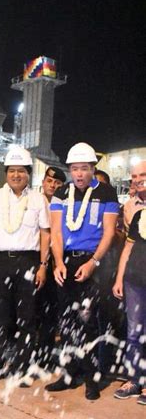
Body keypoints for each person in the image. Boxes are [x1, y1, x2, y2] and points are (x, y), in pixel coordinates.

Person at [46, 142, 119, 400]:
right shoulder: (62, 193)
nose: (79, 174)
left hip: (93, 263)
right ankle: (68, 374)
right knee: (66, 322)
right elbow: (55, 231)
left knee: (87, 321)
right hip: (66, 261)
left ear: (93, 169)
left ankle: (90, 378)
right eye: (75, 169)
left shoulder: (107, 193)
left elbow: (109, 232)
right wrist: (58, 262)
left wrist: (93, 263)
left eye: (84, 169)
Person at [0, 147, 50, 381]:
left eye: (21, 171)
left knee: (26, 318)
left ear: (28, 173)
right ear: (6, 172)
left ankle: (22, 367)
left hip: (28, 261)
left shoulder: (38, 199)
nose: (16, 175)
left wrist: (43, 265)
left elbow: (45, 233)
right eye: (11, 171)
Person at [112, 205, 145, 404]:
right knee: (133, 333)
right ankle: (134, 379)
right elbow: (127, 249)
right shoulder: (140, 216)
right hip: (134, 282)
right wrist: (119, 279)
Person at [36, 166, 67, 365]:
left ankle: (47, 354)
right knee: (32, 310)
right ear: (43, 182)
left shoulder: (66, 203)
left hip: (56, 263)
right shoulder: (32, 201)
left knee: (51, 310)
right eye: (49, 181)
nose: (52, 185)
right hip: (35, 260)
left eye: (57, 183)